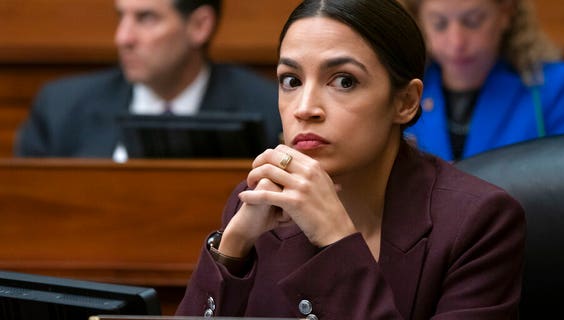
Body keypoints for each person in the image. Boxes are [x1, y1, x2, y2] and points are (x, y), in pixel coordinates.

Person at [176, 0, 525, 319]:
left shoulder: (478, 222)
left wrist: (337, 240)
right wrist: (232, 249)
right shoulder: (256, 200)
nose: (304, 108)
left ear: (405, 101)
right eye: (291, 80)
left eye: (344, 81)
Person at [14, 0, 281, 159]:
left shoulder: (269, 110)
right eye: (122, 16)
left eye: (146, 18)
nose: (123, 38)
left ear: (200, 26)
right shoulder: (60, 109)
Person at [402, 0, 564, 161]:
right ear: (419, 20)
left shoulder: (555, 85)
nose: (456, 43)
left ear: (506, 13)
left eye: (473, 22)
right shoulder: (403, 88)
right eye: (439, 24)